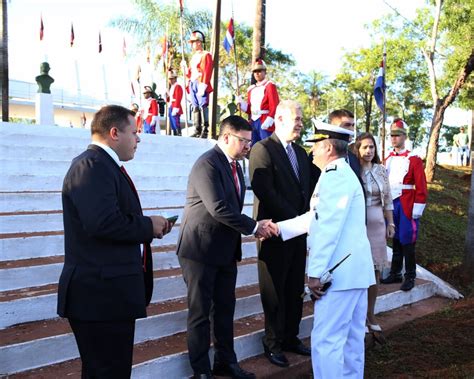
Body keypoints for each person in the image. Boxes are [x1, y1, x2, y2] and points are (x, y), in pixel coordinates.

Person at [57, 105, 173, 378]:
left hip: (109, 294)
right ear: (114, 133)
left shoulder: (104, 165)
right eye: (134, 132)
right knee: (106, 372)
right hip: (98, 297)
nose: (138, 139)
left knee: (113, 371)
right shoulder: (91, 165)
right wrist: (148, 226)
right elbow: (102, 223)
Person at [275, 122, 375, 378]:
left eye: (315, 146)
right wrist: (278, 229)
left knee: (326, 341)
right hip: (354, 272)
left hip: (338, 274)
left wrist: (315, 273)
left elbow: (327, 227)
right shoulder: (341, 174)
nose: (312, 153)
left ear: (328, 147)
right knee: (352, 340)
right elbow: (318, 217)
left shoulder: (334, 176)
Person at [177, 115, 272, 379]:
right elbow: (219, 208)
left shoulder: (236, 166)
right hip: (200, 250)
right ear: (226, 137)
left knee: (224, 309)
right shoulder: (207, 163)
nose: (247, 147)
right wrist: (255, 227)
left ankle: (225, 362)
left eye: (249, 142)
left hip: (225, 250)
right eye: (243, 141)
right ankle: (202, 371)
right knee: (200, 314)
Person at [248, 100, 312, 368]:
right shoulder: (263, 149)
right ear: (279, 118)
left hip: (299, 233)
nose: (300, 123)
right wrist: (293, 218)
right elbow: (265, 190)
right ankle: (272, 342)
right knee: (274, 290)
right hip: (274, 232)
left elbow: (306, 189)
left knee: (295, 287)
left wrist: (304, 219)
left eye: (301, 119)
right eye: (296, 118)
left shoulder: (299, 153)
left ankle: (290, 336)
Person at [380, 118, 428, 291]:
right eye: (392, 135)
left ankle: (410, 276)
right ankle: (395, 273)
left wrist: (418, 207)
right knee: (396, 239)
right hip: (391, 203)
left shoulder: (414, 159)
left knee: (408, 240)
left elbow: (421, 185)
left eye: (397, 135)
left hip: (407, 203)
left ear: (404, 137)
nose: (394, 138)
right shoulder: (387, 159)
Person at [355, 132, 395, 332]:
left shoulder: (380, 170)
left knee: (375, 273)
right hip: (358, 225)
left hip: (378, 226)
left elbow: (387, 199)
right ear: (357, 149)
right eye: (364, 147)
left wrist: (391, 223)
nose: (369, 151)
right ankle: (358, 316)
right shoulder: (353, 170)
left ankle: (371, 314)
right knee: (360, 271)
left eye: (371, 147)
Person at [239, 59, 280, 145]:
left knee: (268, 145)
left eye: (259, 71)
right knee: (254, 147)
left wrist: (270, 118)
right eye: (255, 71)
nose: (257, 73)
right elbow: (249, 109)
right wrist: (241, 103)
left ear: (265, 72)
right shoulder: (251, 89)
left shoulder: (270, 85)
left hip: (265, 120)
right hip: (253, 121)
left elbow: (275, 104)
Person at [186, 30, 213, 138]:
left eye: (193, 42)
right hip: (193, 82)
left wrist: (204, 84)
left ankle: (205, 129)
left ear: (199, 42)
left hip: (201, 82)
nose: (192, 45)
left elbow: (207, 70)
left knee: (203, 105)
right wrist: (185, 69)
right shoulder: (193, 57)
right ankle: (197, 128)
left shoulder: (206, 55)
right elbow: (190, 72)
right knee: (195, 106)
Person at [166, 70, 184, 136]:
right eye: (169, 79)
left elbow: (178, 98)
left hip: (175, 107)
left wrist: (175, 108)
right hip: (171, 106)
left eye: (172, 79)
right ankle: (175, 134)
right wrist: (167, 95)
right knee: (172, 123)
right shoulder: (172, 88)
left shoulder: (178, 86)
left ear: (175, 79)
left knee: (176, 122)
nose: (170, 80)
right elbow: (169, 99)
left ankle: (178, 134)